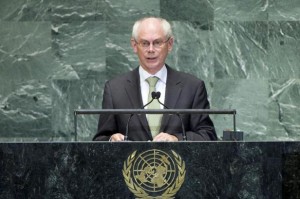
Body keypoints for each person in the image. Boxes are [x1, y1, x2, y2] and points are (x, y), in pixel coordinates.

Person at [93, 17, 217, 142]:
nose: (151, 50)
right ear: (134, 45)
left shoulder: (192, 87)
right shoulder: (115, 89)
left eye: (157, 43)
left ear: (169, 44)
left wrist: (176, 139)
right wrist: (111, 140)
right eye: (145, 43)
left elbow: (208, 136)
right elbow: (99, 140)